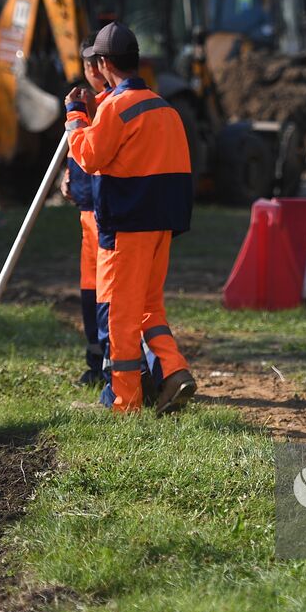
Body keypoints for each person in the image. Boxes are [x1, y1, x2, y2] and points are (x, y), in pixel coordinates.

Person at [65, 22, 197, 415]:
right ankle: (173, 372)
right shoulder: (163, 107)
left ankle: (125, 403)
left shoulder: (117, 108)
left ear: (103, 63)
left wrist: (75, 117)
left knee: (120, 314)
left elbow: (88, 157)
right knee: (148, 308)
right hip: (161, 227)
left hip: (127, 229)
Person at [61, 55, 111, 387]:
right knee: (90, 292)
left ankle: (114, 366)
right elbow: (76, 151)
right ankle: (96, 360)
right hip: (86, 215)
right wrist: (68, 175)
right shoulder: (84, 106)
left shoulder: (111, 106)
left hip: (106, 215)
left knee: (110, 296)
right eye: (86, 63)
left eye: (96, 62)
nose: (91, 71)